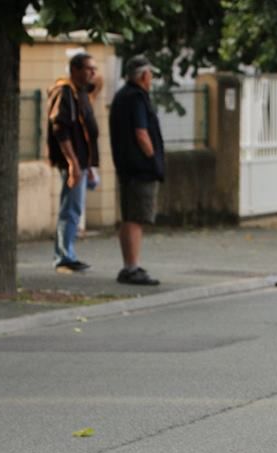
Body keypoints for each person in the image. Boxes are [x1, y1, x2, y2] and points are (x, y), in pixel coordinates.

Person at [109, 55, 163, 286]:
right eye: (150, 74)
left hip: (127, 166)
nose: (151, 79)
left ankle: (130, 265)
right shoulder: (137, 98)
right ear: (143, 75)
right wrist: (152, 158)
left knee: (130, 215)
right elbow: (141, 133)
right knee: (136, 217)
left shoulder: (122, 96)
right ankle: (131, 267)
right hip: (139, 167)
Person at [47, 52, 100, 273]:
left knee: (74, 207)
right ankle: (63, 256)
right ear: (75, 70)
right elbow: (61, 129)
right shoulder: (66, 93)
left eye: (94, 69)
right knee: (70, 208)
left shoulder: (81, 93)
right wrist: (73, 164)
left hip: (83, 162)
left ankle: (68, 252)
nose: (93, 73)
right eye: (88, 69)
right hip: (75, 162)